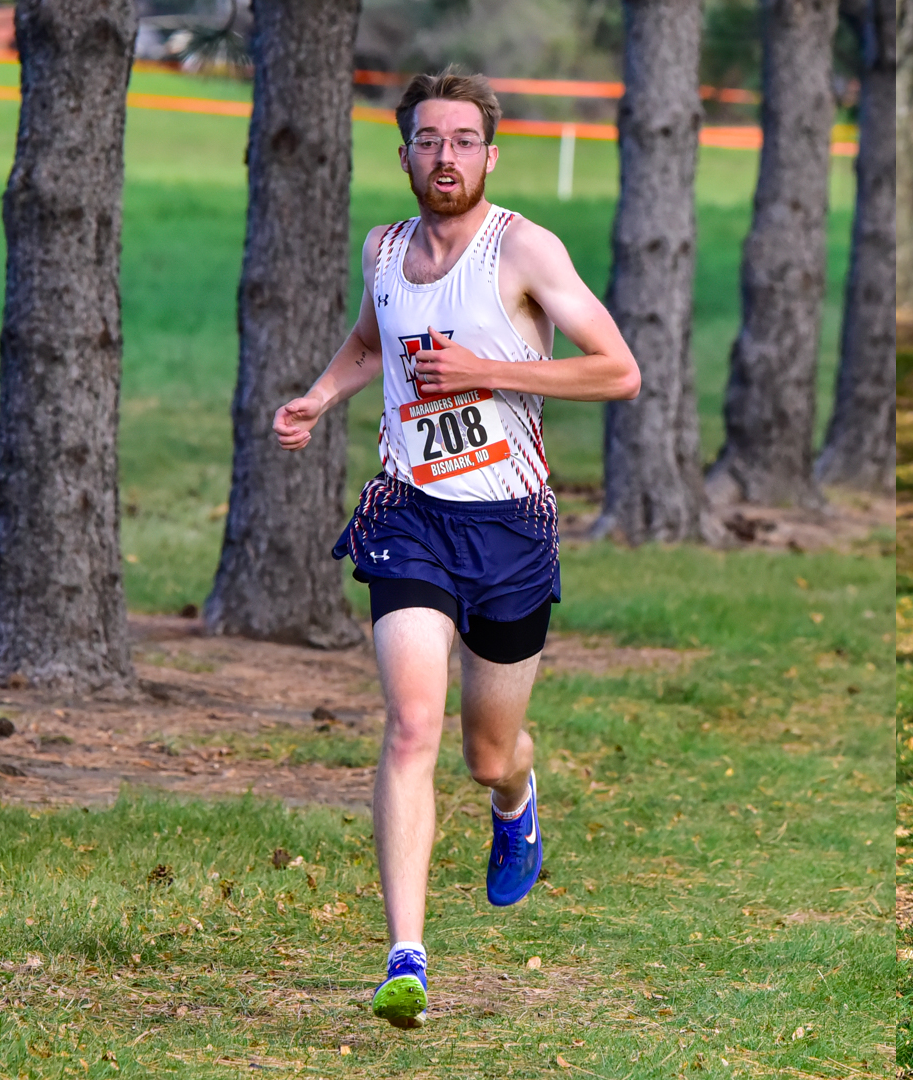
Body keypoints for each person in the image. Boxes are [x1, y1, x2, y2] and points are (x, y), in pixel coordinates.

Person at [272, 71, 640, 1028]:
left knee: (485, 753)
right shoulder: (383, 250)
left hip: (509, 528)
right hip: (411, 517)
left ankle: (516, 801)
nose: (446, 156)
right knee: (410, 725)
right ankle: (407, 957)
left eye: (464, 140)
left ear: (490, 154)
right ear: (404, 154)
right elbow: (371, 344)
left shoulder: (523, 249)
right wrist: (319, 396)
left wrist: (487, 368)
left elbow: (618, 371)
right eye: (429, 139)